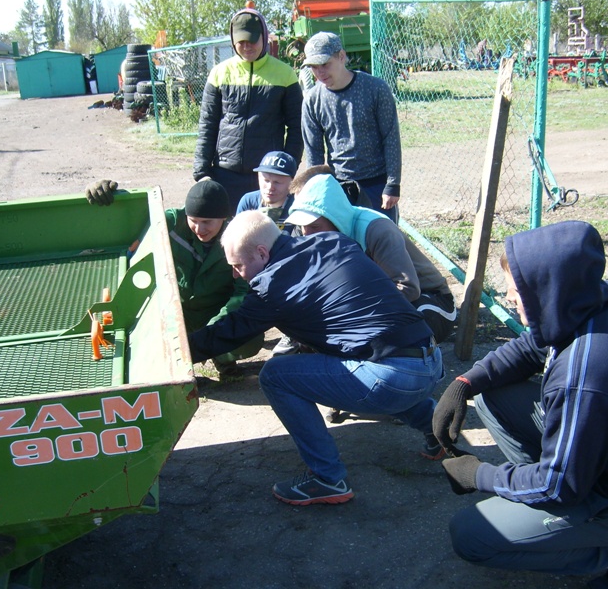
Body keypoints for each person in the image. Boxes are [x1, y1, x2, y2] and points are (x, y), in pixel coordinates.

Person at [431, 221, 608, 587]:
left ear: (549, 290)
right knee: (495, 397)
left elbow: (558, 486)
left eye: (518, 290)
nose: (510, 296)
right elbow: (531, 345)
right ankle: (561, 505)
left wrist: (478, 474)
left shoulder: (587, 377)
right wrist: (464, 384)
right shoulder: (604, 299)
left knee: (472, 535)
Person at [187, 210, 445, 505]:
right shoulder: (332, 241)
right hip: (431, 360)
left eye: (238, 266)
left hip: (391, 380)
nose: (236, 274)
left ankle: (327, 478)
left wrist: (178, 353)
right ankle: (440, 430)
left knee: (276, 375)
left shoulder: (270, 286)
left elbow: (226, 333)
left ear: (261, 252)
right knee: (363, 365)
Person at [84, 178, 262, 379]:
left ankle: (223, 359)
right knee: (146, 348)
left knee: (250, 334)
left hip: (214, 312)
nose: (199, 229)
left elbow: (242, 291)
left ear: (223, 218)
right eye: (193, 220)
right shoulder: (170, 223)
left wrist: (215, 328)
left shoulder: (236, 238)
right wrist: (110, 197)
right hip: (175, 311)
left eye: (207, 222)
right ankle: (179, 369)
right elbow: (134, 220)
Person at [287, 170, 457, 344]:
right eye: (302, 226)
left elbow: (408, 289)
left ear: (335, 220)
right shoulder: (305, 233)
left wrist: (349, 308)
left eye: (314, 226)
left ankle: (422, 366)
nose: (306, 234)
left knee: (398, 332)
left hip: (431, 301)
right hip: (371, 301)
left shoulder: (376, 230)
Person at [193, 7, 303, 213]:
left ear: (263, 37)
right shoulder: (219, 74)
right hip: (224, 173)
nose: (247, 46)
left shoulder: (285, 75)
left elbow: (297, 129)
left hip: (267, 176)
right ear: (233, 41)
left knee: (265, 237)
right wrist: (202, 172)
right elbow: (207, 125)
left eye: (252, 40)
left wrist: (287, 169)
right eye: (241, 41)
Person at [301, 32, 401, 223]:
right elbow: (313, 153)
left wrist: (393, 184)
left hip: (376, 185)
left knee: (381, 245)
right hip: (338, 186)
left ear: (341, 56)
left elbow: (391, 137)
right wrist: (316, 189)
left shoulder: (375, 88)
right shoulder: (312, 100)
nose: (320, 73)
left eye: (325, 64)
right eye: (314, 67)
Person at [236, 150, 298, 233]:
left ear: (292, 183)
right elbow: (236, 236)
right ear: (258, 177)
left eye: (277, 182)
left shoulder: (297, 206)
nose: (270, 187)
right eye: (266, 180)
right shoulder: (248, 201)